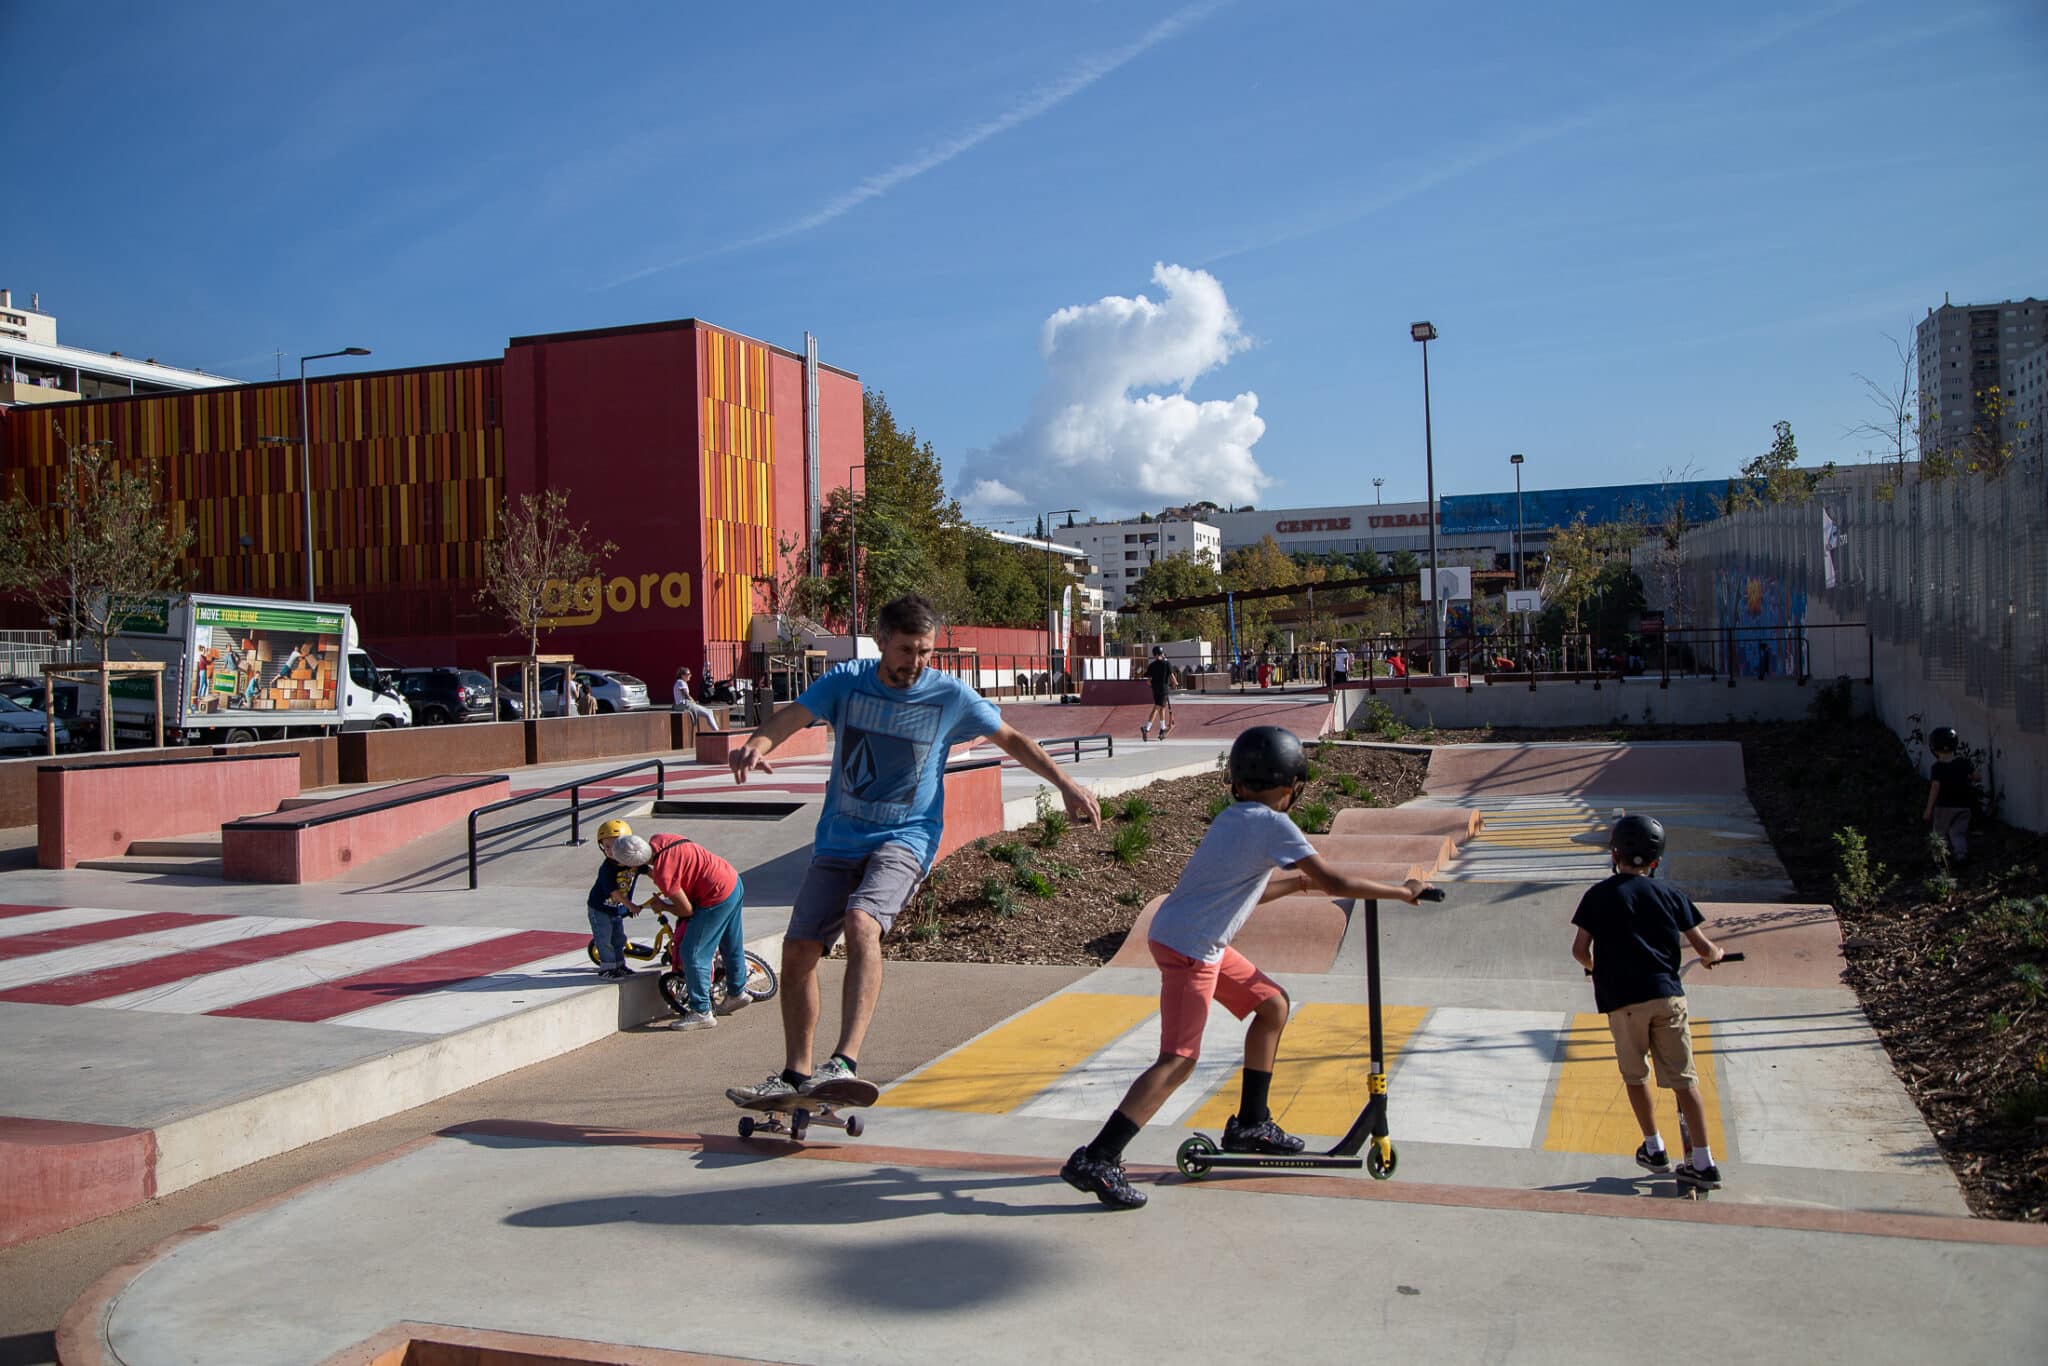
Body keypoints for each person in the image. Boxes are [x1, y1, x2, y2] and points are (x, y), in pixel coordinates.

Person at [724, 593, 1102, 1105]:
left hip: (907, 837)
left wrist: (1065, 783)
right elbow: (791, 717)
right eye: (907, 650)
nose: (917, 663)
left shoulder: (949, 695)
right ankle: (795, 1075)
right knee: (798, 951)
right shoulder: (846, 682)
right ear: (881, 642)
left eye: (925, 651)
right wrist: (757, 744)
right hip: (838, 837)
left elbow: (1011, 739)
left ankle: (844, 1061)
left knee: (862, 922)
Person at [1060, 726, 1433, 1210]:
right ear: (1292, 786)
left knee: (1272, 1005)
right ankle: (1098, 1157)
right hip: (1191, 947)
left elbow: (1238, 888)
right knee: (1179, 1059)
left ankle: (1252, 1123)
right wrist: (1401, 891)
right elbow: (1333, 878)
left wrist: (1295, 886)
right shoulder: (1274, 824)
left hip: (1190, 938)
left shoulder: (1235, 817)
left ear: (1238, 781)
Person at [1570, 814, 1727, 1189]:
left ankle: (1654, 1147)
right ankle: (1704, 1161)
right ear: (1656, 860)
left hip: (1622, 1002)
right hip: (1666, 996)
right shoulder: (1671, 895)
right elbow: (1705, 948)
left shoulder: (1597, 896)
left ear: (1614, 854)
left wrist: (1596, 968)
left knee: (1635, 1075)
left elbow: (1579, 951)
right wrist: (1713, 956)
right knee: (1684, 1079)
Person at [610, 830, 753, 1030]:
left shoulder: (662, 874)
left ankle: (701, 1012)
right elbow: (676, 867)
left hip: (715, 897)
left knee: (692, 952)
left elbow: (686, 909)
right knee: (730, 942)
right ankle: (737, 992)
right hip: (731, 881)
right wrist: (650, 871)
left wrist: (663, 906)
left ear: (632, 864)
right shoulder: (662, 839)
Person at [586, 818, 642, 980]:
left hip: (616, 909)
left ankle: (619, 965)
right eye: (607, 846)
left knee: (619, 938)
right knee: (604, 938)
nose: (611, 850)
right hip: (600, 908)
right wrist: (630, 905)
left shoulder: (633, 862)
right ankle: (607, 968)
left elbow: (648, 870)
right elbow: (615, 892)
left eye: (617, 846)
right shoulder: (607, 868)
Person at [1922, 726, 1975, 864]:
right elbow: (1976, 776)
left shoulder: (1937, 768)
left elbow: (1935, 787)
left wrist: (1928, 809)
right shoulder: (1963, 763)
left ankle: (1938, 859)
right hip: (1964, 806)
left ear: (1933, 748)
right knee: (1958, 833)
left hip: (1944, 807)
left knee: (1939, 834)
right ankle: (1961, 855)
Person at [1139, 646, 1175, 741]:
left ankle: (1162, 729)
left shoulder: (1152, 665)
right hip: (1163, 690)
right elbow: (1172, 676)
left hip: (1155, 690)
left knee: (1161, 709)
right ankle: (1147, 728)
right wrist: (1176, 684)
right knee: (1157, 708)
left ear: (1154, 655)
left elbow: (1148, 681)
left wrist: (1153, 685)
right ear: (1161, 654)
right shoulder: (1167, 663)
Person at [673, 666, 721, 734]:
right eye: (688, 674)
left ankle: (717, 730)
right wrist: (694, 703)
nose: (690, 675)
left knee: (709, 711)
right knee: (708, 712)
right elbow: (686, 695)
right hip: (684, 704)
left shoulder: (679, 682)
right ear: (682, 675)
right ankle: (717, 732)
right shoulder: (681, 682)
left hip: (683, 704)